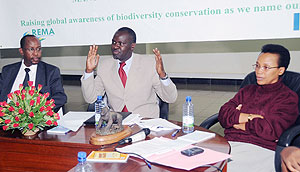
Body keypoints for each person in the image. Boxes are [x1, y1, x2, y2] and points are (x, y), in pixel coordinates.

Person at [218, 44, 299, 172]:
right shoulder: (247, 90)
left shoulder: (288, 98)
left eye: (266, 67)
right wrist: (250, 117)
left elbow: (271, 130)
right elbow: (223, 114)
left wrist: (240, 123)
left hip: (261, 149)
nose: (259, 71)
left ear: (280, 70)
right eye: (257, 65)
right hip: (229, 144)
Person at [81, 27, 177, 118]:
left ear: (132, 46)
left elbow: (170, 98)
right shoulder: (104, 66)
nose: (115, 47)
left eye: (121, 44)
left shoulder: (149, 64)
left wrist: (162, 75)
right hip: (117, 123)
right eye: (113, 42)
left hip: (144, 121)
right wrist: (89, 72)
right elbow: (91, 98)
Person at [0, 35, 67, 113]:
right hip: (8, 117)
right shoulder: (8, 71)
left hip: (36, 117)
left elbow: (60, 97)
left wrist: (40, 109)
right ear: (21, 51)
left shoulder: (50, 71)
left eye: (38, 49)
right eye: (31, 49)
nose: (36, 53)